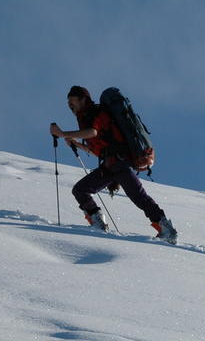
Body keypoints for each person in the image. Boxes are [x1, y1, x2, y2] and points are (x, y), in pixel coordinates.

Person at [50, 85, 178, 244]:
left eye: (72, 101)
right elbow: (99, 150)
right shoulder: (86, 116)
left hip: (118, 162)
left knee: (138, 196)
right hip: (111, 164)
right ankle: (99, 223)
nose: (70, 105)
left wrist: (63, 134)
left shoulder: (95, 112)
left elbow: (93, 132)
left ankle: (166, 229)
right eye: (68, 103)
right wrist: (77, 144)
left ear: (83, 99)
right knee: (80, 190)